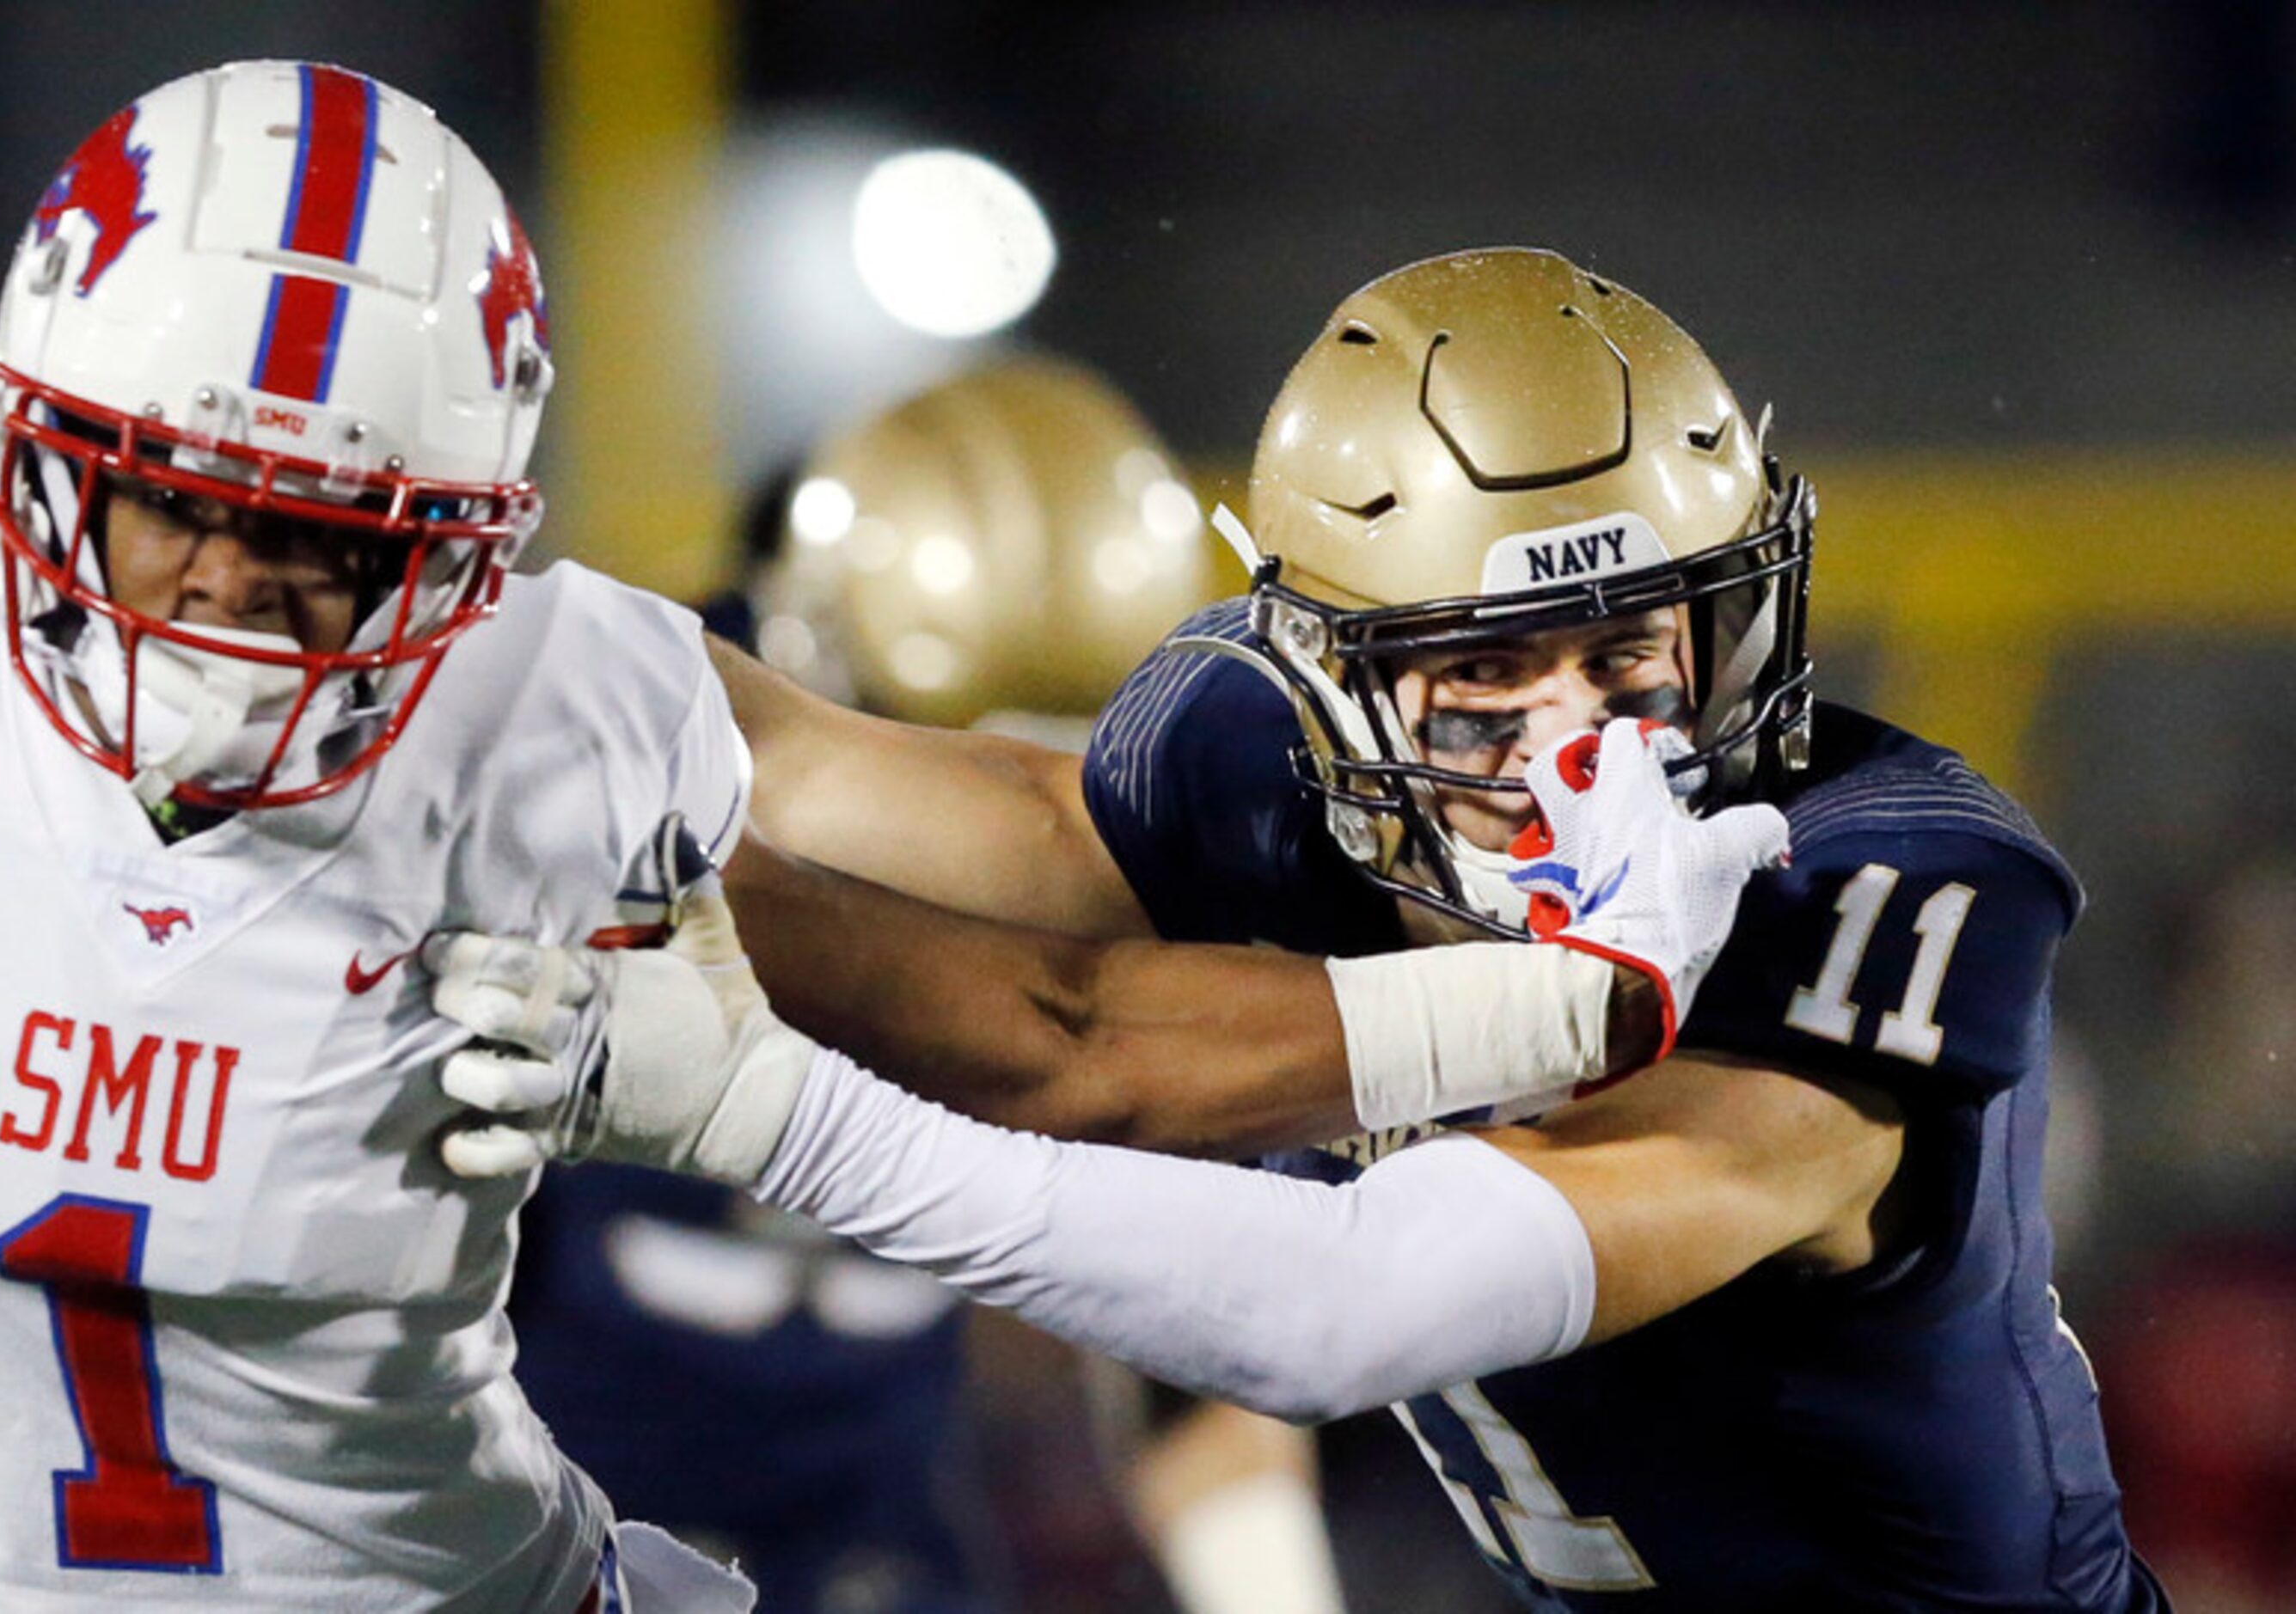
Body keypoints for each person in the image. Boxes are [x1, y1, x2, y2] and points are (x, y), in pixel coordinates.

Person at [0, 67, 1759, 1611]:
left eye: (338, 542)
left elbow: (1054, 964)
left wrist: (1515, 929)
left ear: (466, 545)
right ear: (28, 458)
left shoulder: (547, 717)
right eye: (182, 514)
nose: (256, 593)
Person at [426, 248, 2172, 1611]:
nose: (1577, 743)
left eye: (1635, 645)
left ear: (1742, 619)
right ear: (1336, 686)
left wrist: (758, 1105)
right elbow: (913, 861)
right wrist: (403, 607)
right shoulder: (1300, 798)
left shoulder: (1862, 892)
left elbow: (1341, 1303)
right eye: (1484, 671)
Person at [507, 353, 1339, 1614]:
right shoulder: (578, 784)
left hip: (865, 1541)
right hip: (524, 1512)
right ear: (807, 682)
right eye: (966, 781)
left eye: (1071, 798)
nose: (1019, 855)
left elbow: (1197, 1351)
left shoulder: (1168, 841)